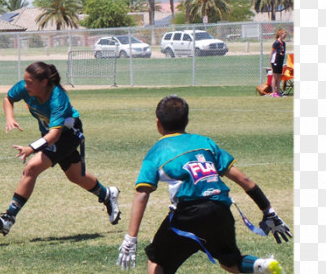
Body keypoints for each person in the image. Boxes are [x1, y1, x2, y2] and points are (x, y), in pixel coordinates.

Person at [116, 95, 292, 274]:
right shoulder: (205, 143)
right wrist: (268, 211)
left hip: (188, 214)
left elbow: (142, 194)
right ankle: (260, 266)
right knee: (230, 262)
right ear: (187, 120)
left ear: (157, 123)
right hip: (220, 209)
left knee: (157, 260)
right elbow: (245, 180)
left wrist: (131, 237)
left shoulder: (157, 151)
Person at [0, 61, 121, 236]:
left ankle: (8, 218)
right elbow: (8, 98)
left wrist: (31, 148)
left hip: (67, 135)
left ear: (44, 82)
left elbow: (54, 136)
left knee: (31, 168)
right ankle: (107, 194)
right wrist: (9, 117)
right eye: (25, 81)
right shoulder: (25, 87)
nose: (25, 85)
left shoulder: (58, 99)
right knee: (75, 176)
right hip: (50, 135)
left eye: (30, 82)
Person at [268, 29, 288, 97]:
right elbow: (272, 52)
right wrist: (271, 61)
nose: (284, 36)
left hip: (280, 61)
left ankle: (279, 92)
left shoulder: (284, 43)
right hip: (275, 61)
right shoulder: (276, 43)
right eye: (283, 34)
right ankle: (274, 92)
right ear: (280, 35)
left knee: (279, 77)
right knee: (275, 76)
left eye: (285, 35)